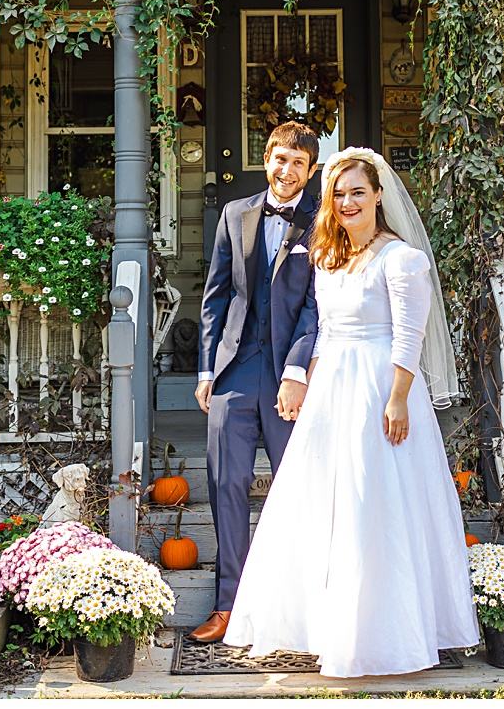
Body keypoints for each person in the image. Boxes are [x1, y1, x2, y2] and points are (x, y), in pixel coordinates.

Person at [224, 147, 478, 677]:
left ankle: (384, 633)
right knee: (322, 506)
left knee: (375, 505)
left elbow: (410, 334)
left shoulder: (401, 258)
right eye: (338, 194)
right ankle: (325, 625)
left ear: (378, 195)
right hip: (331, 391)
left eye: (357, 192)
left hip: (379, 389)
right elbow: (322, 331)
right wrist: (301, 380)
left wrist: (398, 397)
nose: (347, 202)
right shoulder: (326, 256)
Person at [191, 121, 322, 643]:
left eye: (298, 163)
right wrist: (207, 368)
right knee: (227, 485)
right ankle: (229, 606)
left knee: (297, 491)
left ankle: (294, 609)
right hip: (235, 372)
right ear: (266, 159)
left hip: (292, 378)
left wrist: (296, 370)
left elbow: (318, 306)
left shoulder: (322, 221)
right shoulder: (234, 214)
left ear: (310, 172)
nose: (286, 170)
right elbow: (215, 296)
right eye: (279, 158)